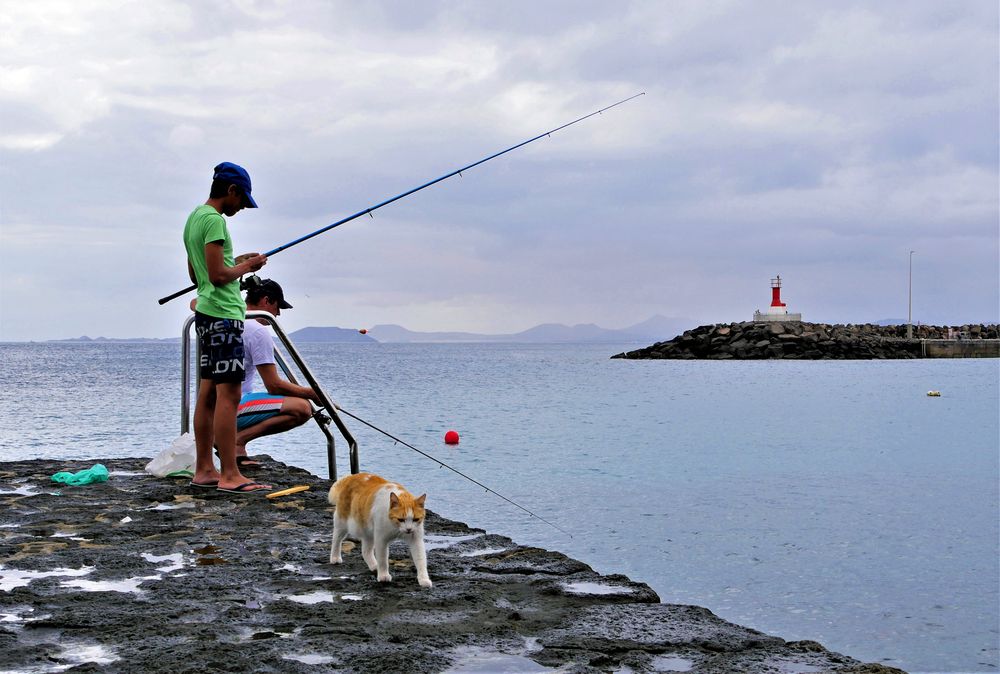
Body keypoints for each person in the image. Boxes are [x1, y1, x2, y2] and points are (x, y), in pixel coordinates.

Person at [183, 162, 271, 494]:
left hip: (207, 314)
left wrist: (237, 261)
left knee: (207, 395)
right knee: (229, 394)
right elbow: (218, 277)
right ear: (231, 191)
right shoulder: (215, 221)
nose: (242, 208)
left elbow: (198, 275)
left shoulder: (194, 218)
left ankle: (205, 469)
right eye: (242, 201)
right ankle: (230, 475)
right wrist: (247, 266)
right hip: (223, 315)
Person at [234, 279, 320, 465]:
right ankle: (237, 441)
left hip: (212, 406)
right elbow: (273, 385)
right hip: (233, 405)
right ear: (266, 301)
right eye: (277, 306)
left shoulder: (230, 318)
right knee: (302, 408)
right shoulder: (257, 330)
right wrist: (313, 394)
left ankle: (231, 442)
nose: (278, 313)